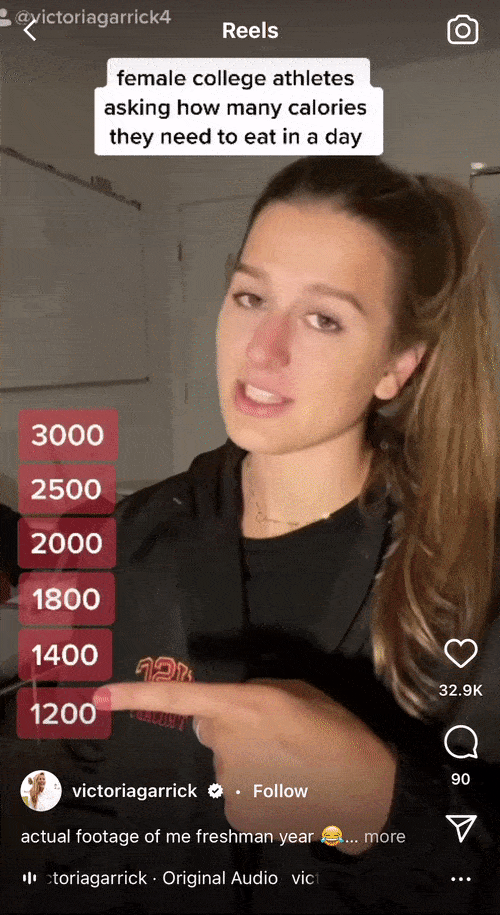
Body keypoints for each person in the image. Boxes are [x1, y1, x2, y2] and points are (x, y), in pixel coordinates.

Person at [2, 156, 500, 914]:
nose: (261, 350)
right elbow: (50, 798)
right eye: (250, 296)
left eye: (324, 318)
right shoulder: (127, 542)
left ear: (396, 367)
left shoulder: (477, 579)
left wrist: (387, 814)